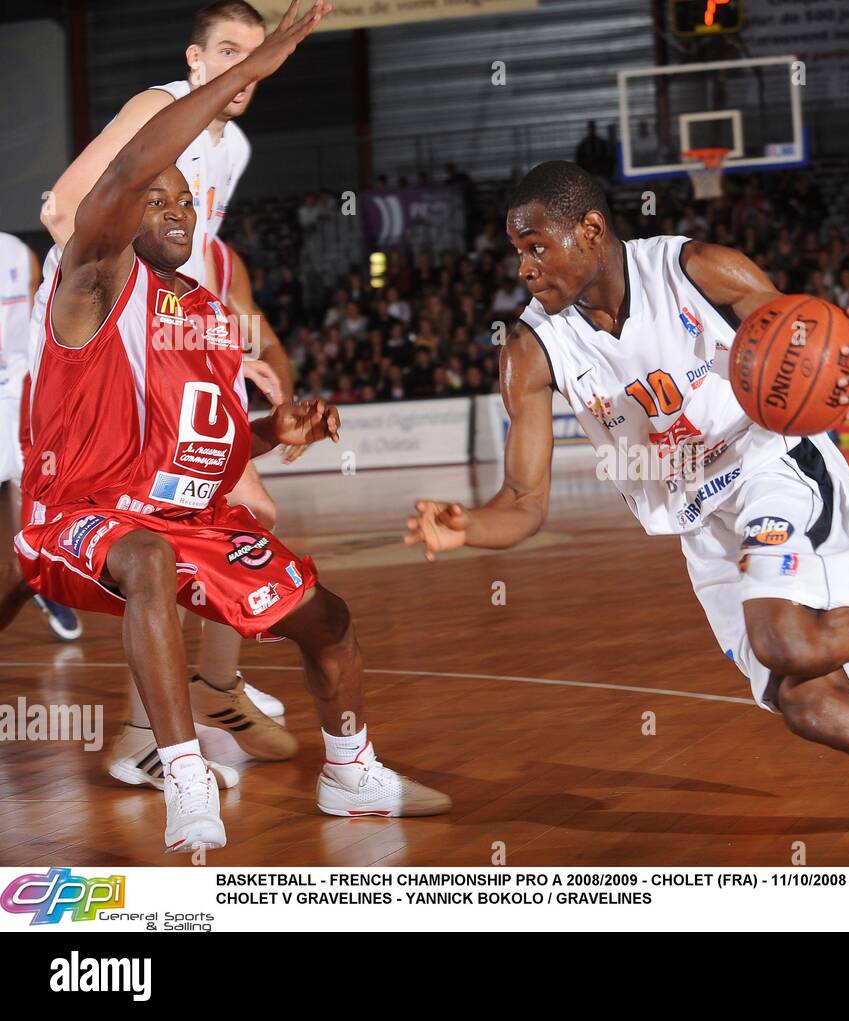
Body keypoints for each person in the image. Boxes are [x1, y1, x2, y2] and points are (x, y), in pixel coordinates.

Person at [406, 161, 849, 863]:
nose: (525, 268)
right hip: (701, 528)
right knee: (812, 707)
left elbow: (814, 341)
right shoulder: (532, 350)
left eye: (537, 247)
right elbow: (525, 505)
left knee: (785, 642)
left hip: (770, 466)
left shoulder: (699, 270)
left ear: (590, 231)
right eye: (518, 252)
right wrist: (469, 524)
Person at [6, 0, 448, 853]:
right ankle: (182, 770)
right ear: (125, 217)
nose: (176, 210)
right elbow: (130, 167)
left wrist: (276, 430)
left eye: (186, 202)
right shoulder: (94, 277)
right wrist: (249, 68)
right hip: (81, 512)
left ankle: (351, 773)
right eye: (157, 200)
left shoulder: (206, 309)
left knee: (328, 615)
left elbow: (202, 450)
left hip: (180, 514)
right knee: (145, 558)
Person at [37, 0, 297, 775]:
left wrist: (216, 337)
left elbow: (196, 249)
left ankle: (214, 687)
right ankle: (145, 736)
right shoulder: (161, 108)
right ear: (194, 59)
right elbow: (60, 212)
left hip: (161, 340)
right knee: (145, 532)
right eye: (226, 52)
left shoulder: (233, 143)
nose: (240, 69)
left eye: (255, 55)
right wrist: (147, 330)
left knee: (245, 510)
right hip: (95, 345)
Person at [0, 231, 84, 640]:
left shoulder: (18, 254)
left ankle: (40, 579)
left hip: (16, 389)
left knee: (33, 490)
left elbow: (41, 319)